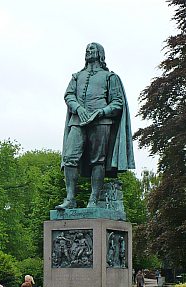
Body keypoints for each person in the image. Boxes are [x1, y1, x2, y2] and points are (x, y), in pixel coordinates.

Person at [56, 42, 135, 210]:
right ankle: (70, 198)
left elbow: (117, 103)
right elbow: (68, 95)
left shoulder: (109, 77)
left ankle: (94, 198)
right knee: (69, 158)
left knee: (97, 161)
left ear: (100, 54)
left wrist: (101, 112)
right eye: (86, 49)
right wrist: (78, 109)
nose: (88, 51)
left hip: (101, 122)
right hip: (77, 121)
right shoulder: (77, 76)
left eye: (92, 49)